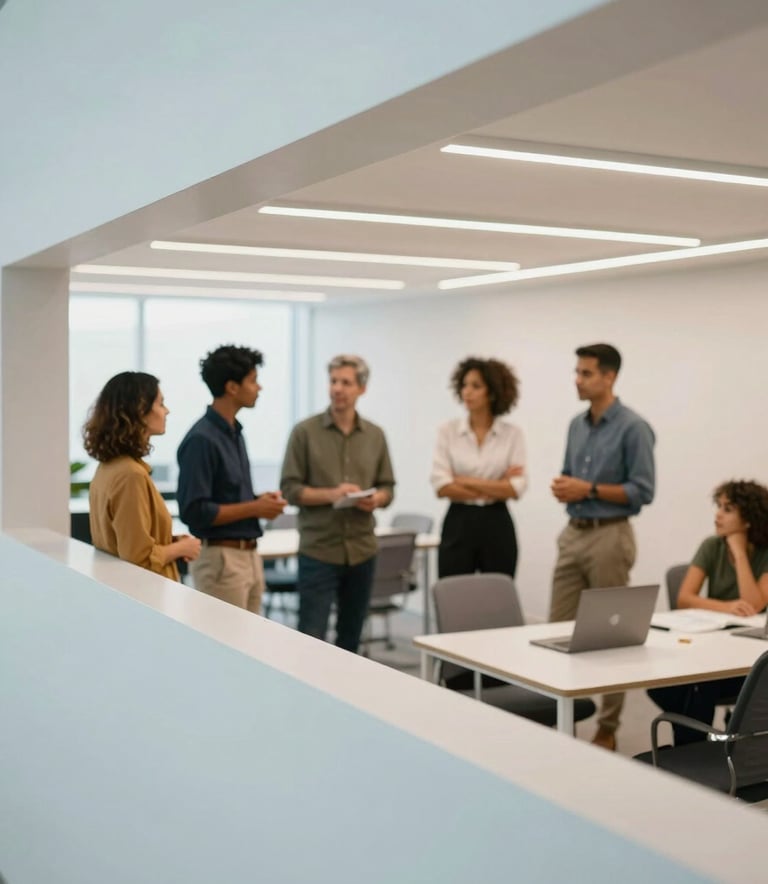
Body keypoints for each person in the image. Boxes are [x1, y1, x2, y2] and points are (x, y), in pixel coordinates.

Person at [550, 343, 655, 750]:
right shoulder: (577, 425)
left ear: (609, 377)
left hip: (610, 535)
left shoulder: (633, 428)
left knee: (611, 633)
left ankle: (608, 726)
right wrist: (566, 486)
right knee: (555, 628)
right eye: (576, 372)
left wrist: (588, 488)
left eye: (586, 373)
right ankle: (561, 711)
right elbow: (568, 473)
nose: (577, 380)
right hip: (573, 532)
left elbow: (643, 491)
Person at [280, 354, 395, 653]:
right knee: (311, 637)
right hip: (319, 550)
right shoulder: (304, 432)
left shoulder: (375, 435)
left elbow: (388, 487)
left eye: (346, 382)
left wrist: (377, 499)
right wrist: (333, 495)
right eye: (333, 381)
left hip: (362, 552)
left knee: (351, 641)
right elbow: (290, 489)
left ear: (361, 389)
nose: (337, 389)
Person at [648, 480, 768, 744]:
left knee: (699, 688)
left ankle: (689, 755)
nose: (718, 514)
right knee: (668, 685)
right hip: (709, 645)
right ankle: (698, 753)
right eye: (719, 506)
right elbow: (684, 597)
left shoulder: (764, 552)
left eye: (728, 509)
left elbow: (754, 603)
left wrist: (738, 551)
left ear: (748, 518)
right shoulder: (711, 546)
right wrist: (726, 606)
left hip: (745, 662)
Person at [176, 345, 286, 612]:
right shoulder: (202, 439)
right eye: (253, 380)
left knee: (249, 645)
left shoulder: (234, 433)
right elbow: (195, 511)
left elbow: (226, 496)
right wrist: (255, 508)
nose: (259, 388)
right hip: (221, 560)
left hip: (247, 556)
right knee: (225, 646)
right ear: (232, 387)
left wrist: (258, 502)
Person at [84, 371, 201, 580]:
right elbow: (139, 559)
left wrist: (169, 541)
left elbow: (125, 542)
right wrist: (181, 548)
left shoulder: (109, 468)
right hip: (147, 594)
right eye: (161, 403)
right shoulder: (131, 475)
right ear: (140, 410)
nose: (167, 411)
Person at [430, 356, 526, 579]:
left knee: (498, 593)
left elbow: (516, 488)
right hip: (458, 522)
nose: (467, 392)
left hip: (497, 521)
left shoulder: (512, 435)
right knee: (453, 594)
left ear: (492, 392)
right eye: (464, 385)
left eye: (476, 386)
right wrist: (497, 484)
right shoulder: (448, 431)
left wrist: (463, 479)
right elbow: (441, 486)